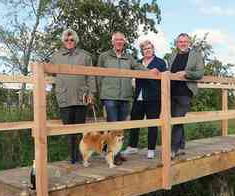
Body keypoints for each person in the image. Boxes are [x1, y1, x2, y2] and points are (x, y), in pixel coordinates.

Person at [97, 32, 159, 164]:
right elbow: (98, 75)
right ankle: (112, 155)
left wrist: (149, 72)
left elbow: (138, 67)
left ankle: (116, 153)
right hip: (110, 96)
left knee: (121, 128)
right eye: (117, 40)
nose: (119, 42)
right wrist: (100, 94)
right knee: (113, 126)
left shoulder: (128, 58)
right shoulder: (104, 57)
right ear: (112, 42)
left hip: (125, 96)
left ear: (124, 42)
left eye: (121, 40)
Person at [50, 29, 96, 164]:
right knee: (68, 130)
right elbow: (49, 72)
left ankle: (82, 154)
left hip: (81, 97)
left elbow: (91, 76)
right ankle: (71, 156)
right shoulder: (56, 56)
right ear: (63, 41)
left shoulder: (85, 56)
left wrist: (91, 93)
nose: (69, 42)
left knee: (80, 129)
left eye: (71, 40)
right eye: (66, 40)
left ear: (75, 41)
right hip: (64, 97)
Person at [121, 40, 166, 159]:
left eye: (149, 48)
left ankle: (151, 149)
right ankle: (132, 147)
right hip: (138, 97)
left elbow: (162, 79)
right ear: (142, 51)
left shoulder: (160, 62)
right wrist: (148, 73)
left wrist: (150, 74)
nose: (148, 50)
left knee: (152, 123)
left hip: (153, 98)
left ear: (153, 49)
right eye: (145, 49)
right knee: (135, 122)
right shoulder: (138, 62)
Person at [168, 33, 204, 158]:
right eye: (180, 42)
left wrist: (186, 73)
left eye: (185, 41)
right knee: (177, 119)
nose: (182, 44)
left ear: (189, 43)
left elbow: (200, 73)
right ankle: (181, 146)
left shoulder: (196, 55)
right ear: (177, 43)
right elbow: (170, 71)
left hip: (185, 91)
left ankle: (173, 149)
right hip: (172, 91)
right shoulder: (173, 55)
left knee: (177, 119)